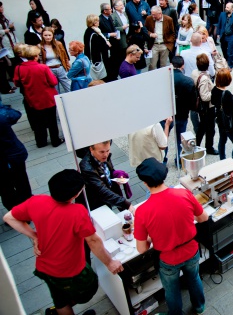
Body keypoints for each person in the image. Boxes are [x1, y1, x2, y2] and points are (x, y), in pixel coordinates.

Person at [3, 170, 123, 315]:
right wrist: (110, 262)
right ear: (76, 194)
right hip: (72, 270)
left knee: (60, 301)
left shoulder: (37, 200)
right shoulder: (77, 212)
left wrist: (35, 236)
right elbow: (93, 240)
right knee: (89, 288)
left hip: (45, 267)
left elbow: (9, 217)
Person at [134, 158, 208, 315]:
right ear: (164, 176)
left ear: (145, 183)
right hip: (191, 250)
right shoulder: (184, 194)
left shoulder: (142, 211)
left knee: (172, 289)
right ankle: (200, 307)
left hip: (168, 258)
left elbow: (141, 249)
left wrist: (151, 238)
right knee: (194, 279)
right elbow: (203, 218)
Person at [13, 45, 63, 148]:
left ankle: (41, 142)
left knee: (38, 122)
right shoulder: (43, 67)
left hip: (32, 99)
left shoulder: (18, 68)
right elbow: (53, 81)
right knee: (52, 121)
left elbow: (17, 83)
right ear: (36, 56)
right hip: (47, 98)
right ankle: (55, 140)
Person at [78, 140, 134, 212]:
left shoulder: (103, 156)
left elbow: (109, 171)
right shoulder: (86, 167)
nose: (105, 155)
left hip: (106, 196)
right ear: (91, 149)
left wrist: (116, 175)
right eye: (102, 152)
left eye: (107, 151)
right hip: (96, 203)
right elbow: (101, 190)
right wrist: (126, 204)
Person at [0, 104, 32, 211]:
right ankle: (25, 209)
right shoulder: (2, 115)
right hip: (12, 154)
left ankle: (15, 212)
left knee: (5, 188)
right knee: (21, 181)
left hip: (10, 155)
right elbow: (15, 114)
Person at [191, 53, 218, 156]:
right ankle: (209, 147)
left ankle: (196, 145)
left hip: (200, 107)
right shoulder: (205, 78)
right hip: (207, 107)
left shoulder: (194, 73)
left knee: (202, 126)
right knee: (210, 128)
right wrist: (214, 92)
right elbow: (205, 96)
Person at [212, 68, 233, 160]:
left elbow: (213, 102)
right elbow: (232, 110)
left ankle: (222, 160)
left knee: (222, 141)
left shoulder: (214, 90)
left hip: (220, 121)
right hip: (229, 124)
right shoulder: (227, 94)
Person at [171, 56, 197, 161]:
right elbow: (192, 101)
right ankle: (178, 158)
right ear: (183, 65)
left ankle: (163, 160)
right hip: (182, 113)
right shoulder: (188, 81)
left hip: (168, 113)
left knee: (163, 137)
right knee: (180, 138)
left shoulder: (166, 79)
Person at [39, 27, 71, 93]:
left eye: (49, 35)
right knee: (55, 91)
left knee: (69, 87)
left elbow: (65, 56)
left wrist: (67, 67)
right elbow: (40, 60)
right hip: (49, 69)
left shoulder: (58, 44)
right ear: (42, 36)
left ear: (53, 35)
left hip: (60, 67)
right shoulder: (40, 46)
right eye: (45, 35)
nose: (48, 37)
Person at [145, 5, 176, 70]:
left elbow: (172, 32)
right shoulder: (149, 18)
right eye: (152, 14)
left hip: (164, 45)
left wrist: (169, 44)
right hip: (154, 45)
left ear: (160, 13)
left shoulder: (168, 19)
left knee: (163, 65)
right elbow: (145, 30)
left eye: (154, 15)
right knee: (152, 65)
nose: (153, 16)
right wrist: (151, 34)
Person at [83, 13, 111, 78]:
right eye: (97, 21)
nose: (99, 22)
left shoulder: (88, 31)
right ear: (94, 23)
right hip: (97, 60)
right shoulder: (94, 34)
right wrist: (106, 43)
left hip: (93, 59)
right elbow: (100, 47)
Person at [99, 3, 122, 82]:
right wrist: (109, 34)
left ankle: (115, 76)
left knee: (116, 62)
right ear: (105, 11)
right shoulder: (100, 20)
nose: (111, 10)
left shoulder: (110, 18)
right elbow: (100, 33)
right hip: (107, 47)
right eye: (109, 9)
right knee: (110, 64)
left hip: (115, 45)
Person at [217, 2, 233, 69]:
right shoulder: (222, 14)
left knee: (230, 52)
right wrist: (218, 33)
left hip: (231, 36)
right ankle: (226, 61)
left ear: (232, 9)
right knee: (224, 50)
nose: (226, 8)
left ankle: (230, 65)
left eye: (227, 7)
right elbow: (219, 24)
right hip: (223, 35)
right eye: (226, 7)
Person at [0, 1, 18, 94]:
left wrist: (11, 27)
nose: (2, 9)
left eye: (2, 7)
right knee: (5, 66)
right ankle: (6, 87)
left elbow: (10, 28)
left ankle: (12, 84)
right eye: (0, 7)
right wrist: (5, 30)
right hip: (2, 46)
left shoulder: (4, 17)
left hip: (10, 43)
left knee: (13, 63)